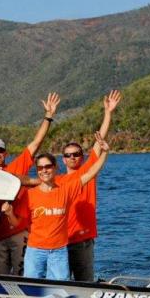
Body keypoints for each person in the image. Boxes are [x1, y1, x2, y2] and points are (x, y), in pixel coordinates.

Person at [0, 92, 60, 276]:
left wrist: (48, 116)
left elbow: (36, 142)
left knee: (24, 277)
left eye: (0, 151)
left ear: (6, 153)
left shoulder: (16, 166)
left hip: (21, 233)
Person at [10, 132, 110, 281]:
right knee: (30, 286)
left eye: (48, 166)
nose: (44, 170)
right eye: (40, 168)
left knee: (60, 290)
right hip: (35, 251)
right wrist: (8, 213)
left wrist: (105, 152)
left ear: (55, 167)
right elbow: (16, 222)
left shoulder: (66, 189)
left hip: (58, 251)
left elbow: (91, 172)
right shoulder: (30, 195)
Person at [59, 90, 121, 281]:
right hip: (60, 242)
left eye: (76, 153)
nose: (73, 157)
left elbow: (99, 141)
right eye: (68, 155)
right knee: (59, 285)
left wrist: (108, 113)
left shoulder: (88, 171)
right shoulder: (57, 181)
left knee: (84, 284)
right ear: (63, 160)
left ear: (82, 156)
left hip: (83, 241)